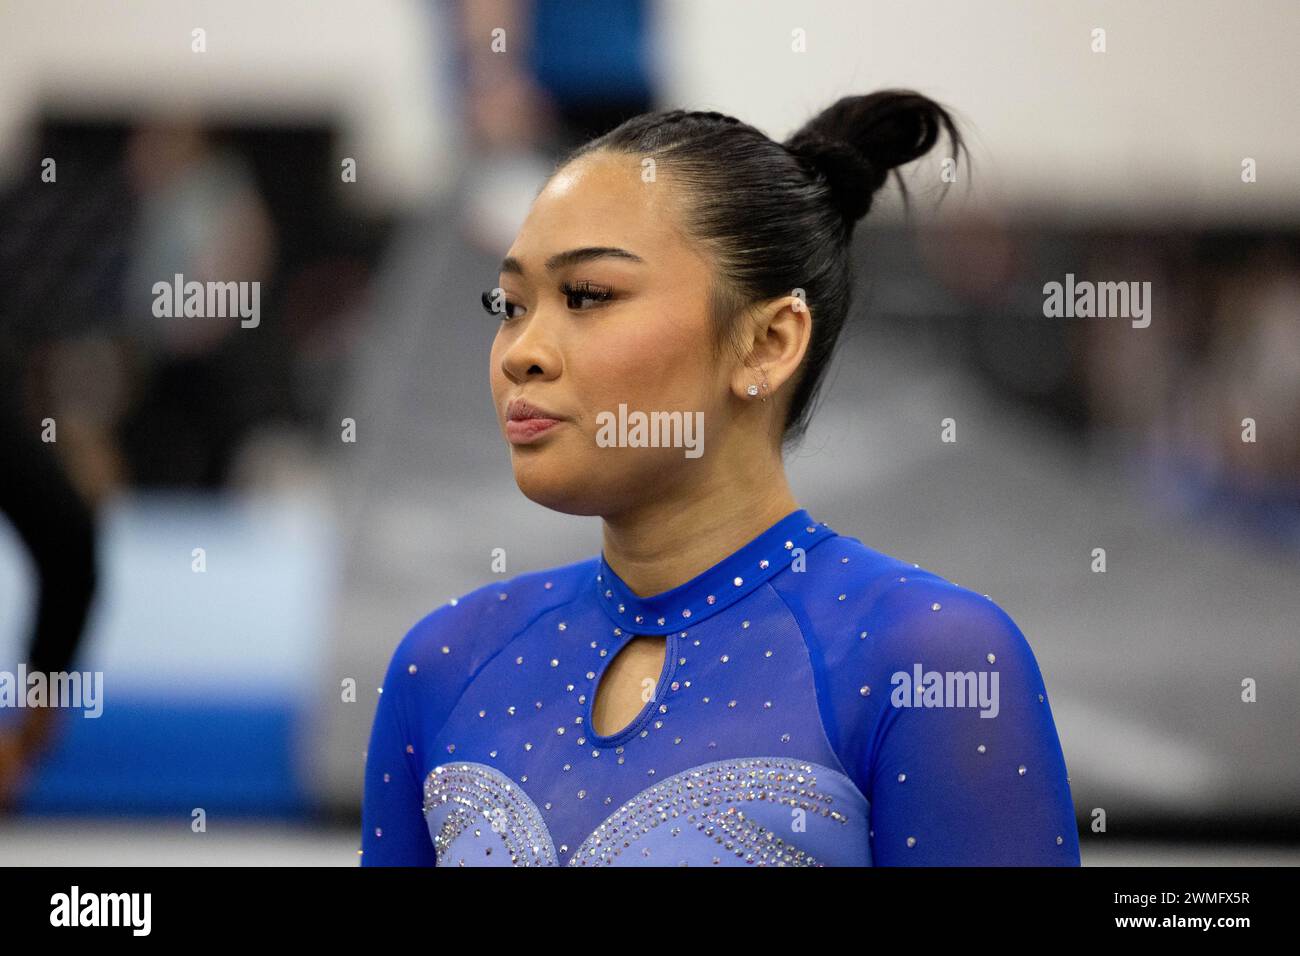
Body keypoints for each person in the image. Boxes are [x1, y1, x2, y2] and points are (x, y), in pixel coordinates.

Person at [360, 90, 1081, 866]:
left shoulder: (928, 659)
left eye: (588, 295)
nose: (519, 353)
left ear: (767, 343)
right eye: (509, 304)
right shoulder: (443, 666)